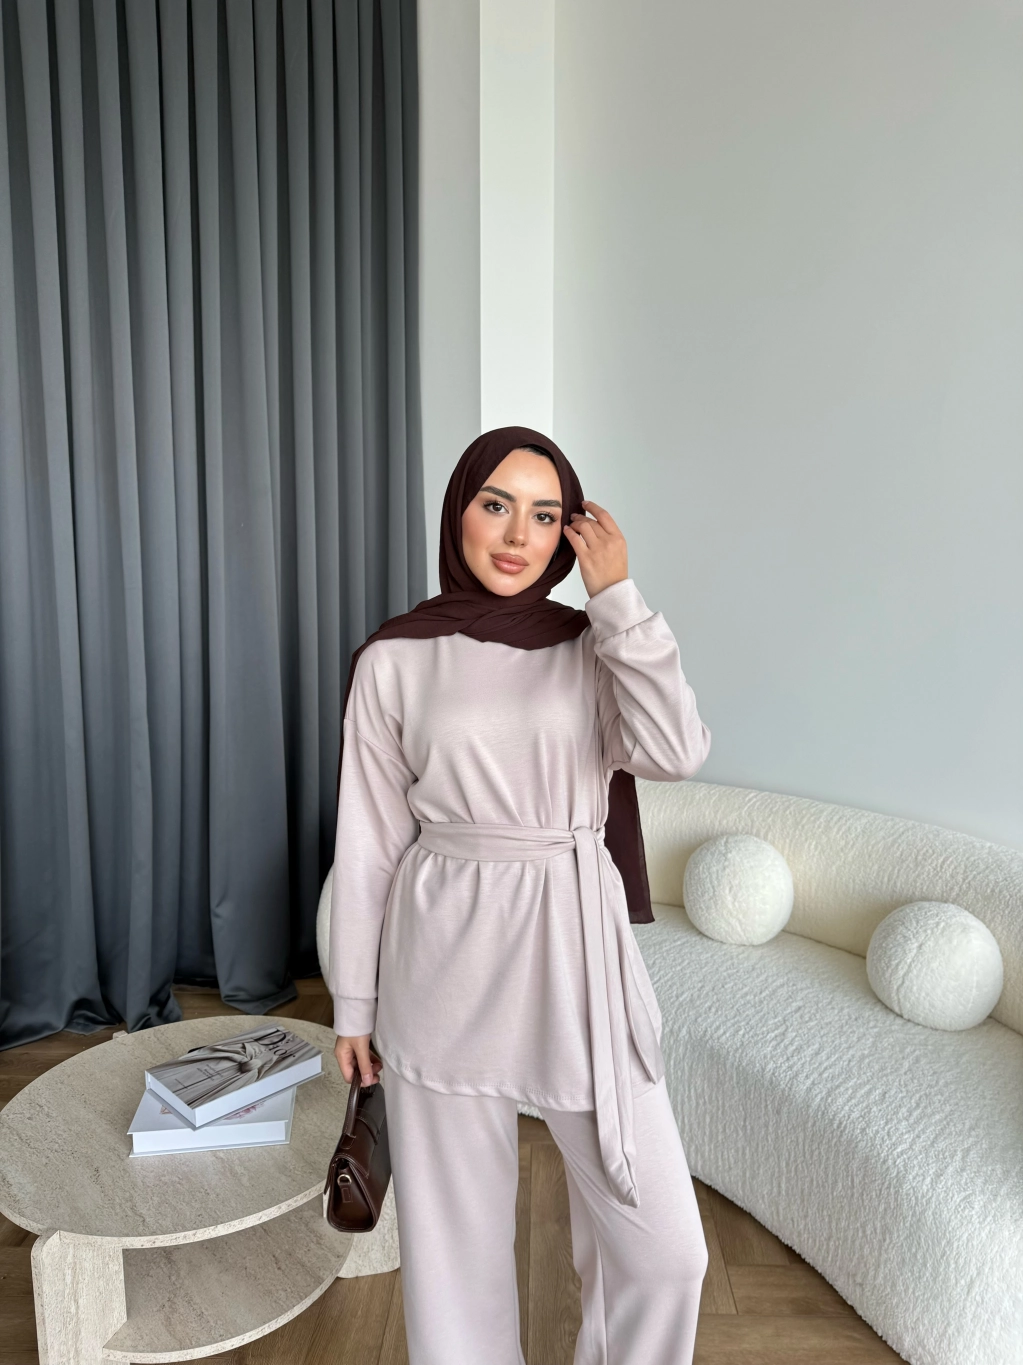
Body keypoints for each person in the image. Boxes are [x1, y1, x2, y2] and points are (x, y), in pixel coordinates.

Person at [328, 426, 711, 1365]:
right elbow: (369, 843)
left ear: (569, 532)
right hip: (439, 956)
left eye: (544, 515)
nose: (516, 535)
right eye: (496, 504)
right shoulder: (395, 658)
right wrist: (354, 1004)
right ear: (459, 510)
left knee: (666, 1253)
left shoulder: (595, 644)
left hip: (573, 947)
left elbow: (675, 751)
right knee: (453, 1256)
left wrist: (618, 598)